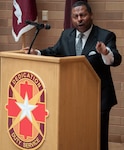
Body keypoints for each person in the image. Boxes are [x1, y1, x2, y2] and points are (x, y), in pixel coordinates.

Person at [24, 1, 122, 150]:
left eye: (83, 15)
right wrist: (37, 52)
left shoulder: (105, 35)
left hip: (98, 98)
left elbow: (115, 60)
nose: (79, 19)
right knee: (76, 135)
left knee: (98, 138)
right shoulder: (66, 34)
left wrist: (105, 52)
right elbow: (55, 50)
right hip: (73, 97)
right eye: (75, 16)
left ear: (91, 15)